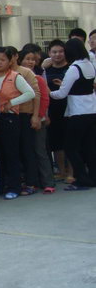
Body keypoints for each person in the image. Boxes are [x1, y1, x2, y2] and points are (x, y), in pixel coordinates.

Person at [49, 38, 96, 190]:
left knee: (70, 147)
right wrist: (64, 85)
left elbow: (62, 94)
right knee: (89, 147)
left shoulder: (74, 68)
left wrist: (49, 92)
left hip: (78, 112)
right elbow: (84, 85)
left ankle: (81, 179)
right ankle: (92, 177)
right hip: (91, 110)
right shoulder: (89, 65)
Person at [0, 47, 35, 200]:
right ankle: (0, 185)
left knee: (11, 154)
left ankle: (14, 187)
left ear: (10, 61)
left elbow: (30, 93)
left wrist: (12, 102)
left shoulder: (15, 76)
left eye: (2, 60)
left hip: (10, 118)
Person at [19, 46, 55, 194]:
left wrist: (39, 117)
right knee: (28, 150)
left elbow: (44, 99)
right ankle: (33, 180)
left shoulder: (38, 78)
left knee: (40, 150)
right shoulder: (17, 77)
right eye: (27, 59)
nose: (31, 62)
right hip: (23, 118)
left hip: (37, 119)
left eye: (33, 59)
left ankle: (48, 182)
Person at [9, 47, 42, 195]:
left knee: (27, 149)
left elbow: (36, 94)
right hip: (10, 116)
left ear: (16, 57)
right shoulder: (0, 72)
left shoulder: (26, 72)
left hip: (25, 114)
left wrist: (35, 116)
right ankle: (20, 181)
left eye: (9, 57)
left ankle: (31, 183)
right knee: (15, 150)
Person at [45, 39, 72, 183]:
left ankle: (71, 173)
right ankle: (61, 171)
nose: (58, 54)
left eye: (61, 51)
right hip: (52, 110)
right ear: (49, 53)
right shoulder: (46, 70)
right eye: (54, 52)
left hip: (69, 109)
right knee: (56, 143)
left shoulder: (71, 68)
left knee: (70, 143)